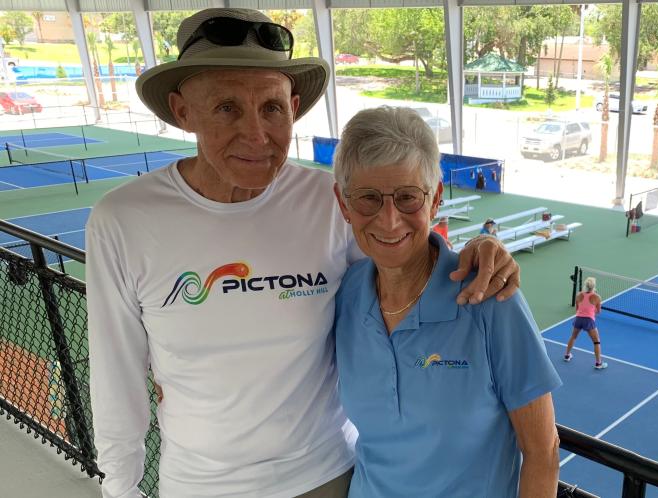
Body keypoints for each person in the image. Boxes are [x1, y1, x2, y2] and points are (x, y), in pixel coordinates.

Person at [85, 9, 520, 498]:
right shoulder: (123, 221)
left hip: (327, 476)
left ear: (293, 107)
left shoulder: (329, 200)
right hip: (199, 485)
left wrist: (479, 249)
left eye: (271, 108)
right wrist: (119, 490)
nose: (256, 134)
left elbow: (404, 257)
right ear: (182, 110)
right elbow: (114, 377)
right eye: (226, 107)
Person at [332, 106, 560, 497]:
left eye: (407, 198)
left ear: (435, 199)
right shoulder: (346, 294)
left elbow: (543, 452)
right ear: (344, 203)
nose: (389, 220)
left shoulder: (490, 300)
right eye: (369, 198)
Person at [562, 276, 608, 370]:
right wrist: (591, 310)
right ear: (594, 286)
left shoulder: (579, 295)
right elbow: (598, 311)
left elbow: (577, 309)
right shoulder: (597, 297)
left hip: (578, 319)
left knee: (573, 337)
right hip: (589, 320)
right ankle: (598, 363)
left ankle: (567, 355)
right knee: (596, 341)